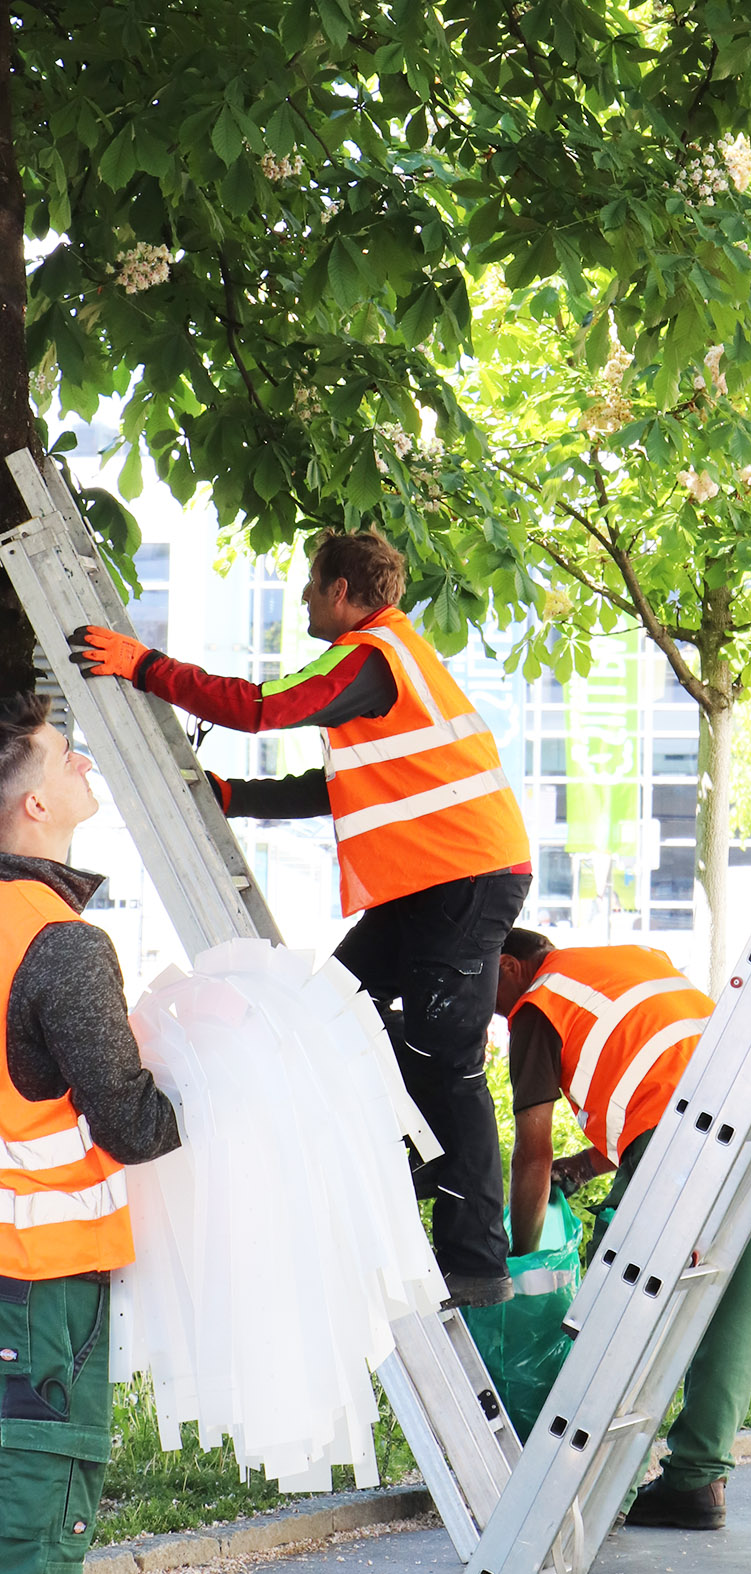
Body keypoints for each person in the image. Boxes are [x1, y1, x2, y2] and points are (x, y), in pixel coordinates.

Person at [68, 529, 531, 1308]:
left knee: (449, 1062)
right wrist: (236, 798)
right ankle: (406, 1165)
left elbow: (260, 707)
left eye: (313, 588)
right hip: (437, 882)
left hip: (462, 879)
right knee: (334, 1004)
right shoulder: (390, 666)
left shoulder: (368, 654)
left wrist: (143, 665)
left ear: (344, 591)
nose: (307, 602)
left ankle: (475, 1262)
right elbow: (342, 787)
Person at [0, 693, 180, 1574]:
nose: (83, 765)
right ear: (31, 803)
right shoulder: (57, 940)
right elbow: (131, 1122)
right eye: (66, 754)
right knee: (24, 1563)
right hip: (31, 1302)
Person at [495, 927, 751, 1533]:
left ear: (512, 965)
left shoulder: (536, 1005)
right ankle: (699, 1480)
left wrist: (523, 1261)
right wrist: (593, 1161)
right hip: (750, 1123)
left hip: (676, 1138)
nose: (483, 1005)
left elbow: (532, 1155)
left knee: (613, 1311)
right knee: (729, 1302)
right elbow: (654, 1072)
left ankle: (589, 1487)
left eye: (483, 978)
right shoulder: (627, 961)